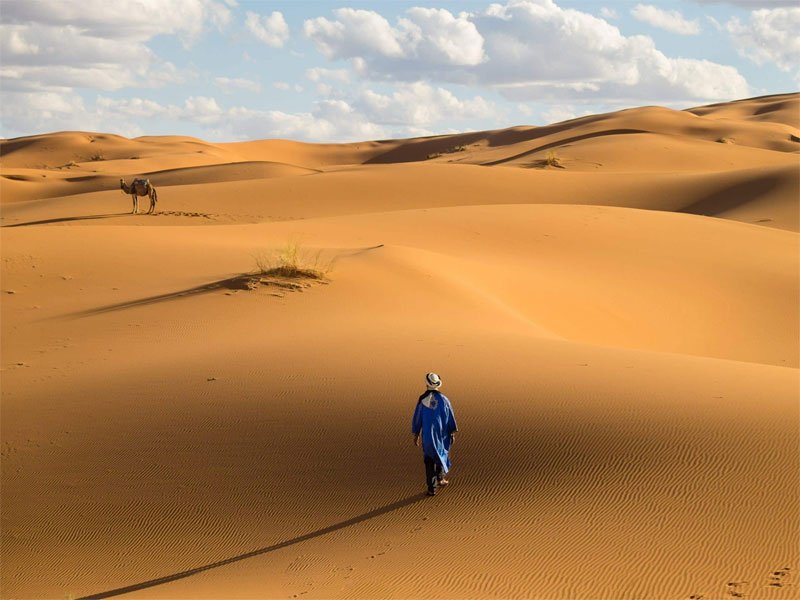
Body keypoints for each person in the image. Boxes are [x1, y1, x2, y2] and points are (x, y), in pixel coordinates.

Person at [411, 372, 458, 496]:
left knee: (429, 460)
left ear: (427, 385)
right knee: (442, 454)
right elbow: (450, 417)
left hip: (427, 436)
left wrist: (416, 433)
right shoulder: (444, 400)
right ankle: (440, 479)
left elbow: (417, 418)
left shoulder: (422, 400)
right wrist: (452, 433)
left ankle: (432, 488)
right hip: (442, 435)